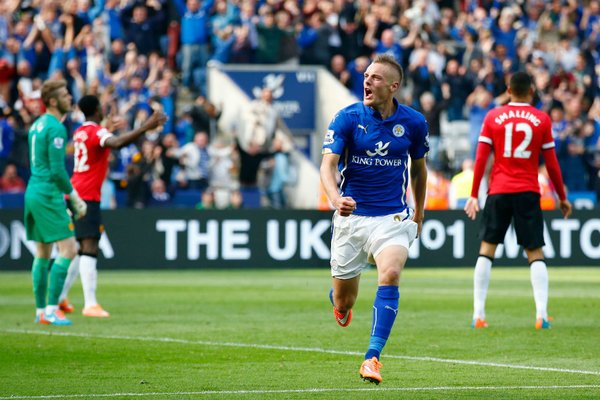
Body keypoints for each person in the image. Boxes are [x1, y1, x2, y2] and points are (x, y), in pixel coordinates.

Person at [320, 54, 428, 384]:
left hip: (392, 217)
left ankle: (372, 358)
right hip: (352, 220)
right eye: (366, 76)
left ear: (393, 87)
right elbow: (327, 165)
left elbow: (419, 170)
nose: (368, 81)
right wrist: (336, 198)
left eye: (376, 78)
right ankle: (339, 304)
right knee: (345, 299)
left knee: (391, 272)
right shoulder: (347, 118)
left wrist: (420, 211)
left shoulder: (414, 122)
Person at [464, 72, 572, 331]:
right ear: (532, 91)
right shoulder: (541, 119)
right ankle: (541, 315)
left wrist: (472, 193)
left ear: (508, 89)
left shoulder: (493, 116)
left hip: (498, 190)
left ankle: (478, 314)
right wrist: (562, 197)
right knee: (534, 252)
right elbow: (552, 163)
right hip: (527, 191)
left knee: (487, 249)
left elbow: (481, 158)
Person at [58, 95, 167, 317]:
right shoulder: (96, 132)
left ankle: (61, 297)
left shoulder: (81, 131)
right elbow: (116, 143)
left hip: (76, 191)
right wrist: (146, 126)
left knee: (79, 249)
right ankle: (90, 304)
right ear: (97, 110)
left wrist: (107, 127)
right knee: (89, 246)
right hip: (87, 195)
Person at [24, 79, 88, 326]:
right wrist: (74, 197)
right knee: (69, 249)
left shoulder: (38, 125)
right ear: (52, 101)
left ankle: (41, 311)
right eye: (64, 94)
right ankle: (52, 308)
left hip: (33, 191)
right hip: (48, 194)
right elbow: (57, 171)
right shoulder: (56, 128)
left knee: (42, 253)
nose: (70, 98)